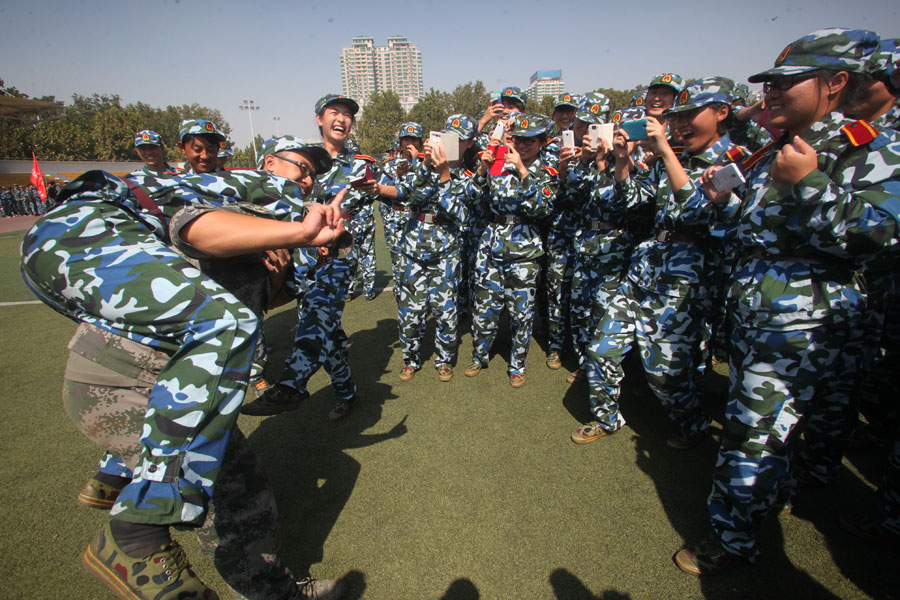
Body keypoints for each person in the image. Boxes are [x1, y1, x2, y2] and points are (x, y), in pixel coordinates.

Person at [21, 164, 349, 598]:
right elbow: (195, 228)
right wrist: (294, 232)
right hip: (125, 381)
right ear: (268, 166)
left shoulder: (272, 231)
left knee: (240, 486)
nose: (306, 181)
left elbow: (256, 295)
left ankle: (119, 482)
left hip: (141, 380)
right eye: (300, 169)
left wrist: (281, 262)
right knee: (240, 492)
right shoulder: (234, 197)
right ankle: (139, 533)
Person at [674, 28, 900, 576]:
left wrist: (811, 185)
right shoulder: (774, 148)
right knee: (767, 427)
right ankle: (775, 497)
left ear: (836, 82)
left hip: (802, 324)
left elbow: (879, 236)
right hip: (758, 316)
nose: (772, 94)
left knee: (753, 433)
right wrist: (723, 202)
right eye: (768, 84)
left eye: (786, 83)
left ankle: (732, 539)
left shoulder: (868, 146)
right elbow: (753, 232)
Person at [570, 78, 746, 448]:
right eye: (676, 117)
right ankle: (606, 417)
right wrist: (621, 162)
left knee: (666, 373)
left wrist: (665, 152)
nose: (680, 125)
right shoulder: (673, 156)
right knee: (601, 349)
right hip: (645, 267)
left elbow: (702, 213)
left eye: (689, 116)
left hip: (686, 280)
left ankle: (694, 427)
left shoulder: (735, 159)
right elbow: (634, 201)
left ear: (721, 114)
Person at [241, 94, 372, 420]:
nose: (341, 119)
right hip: (297, 263)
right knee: (324, 335)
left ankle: (291, 385)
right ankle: (348, 392)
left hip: (334, 260)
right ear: (320, 119)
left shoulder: (361, 166)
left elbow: (361, 207)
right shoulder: (299, 158)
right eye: (334, 112)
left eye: (347, 114)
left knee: (315, 318)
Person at [465, 112, 556, 388]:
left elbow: (542, 208)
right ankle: (479, 356)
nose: (524, 145)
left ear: (542, 142)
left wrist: (523, 171)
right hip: (491, 247)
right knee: (484, 308)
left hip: (525, 252)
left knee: (521, 313)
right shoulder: (497, 165)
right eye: (519, 139)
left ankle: (517, 365)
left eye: (531, 140)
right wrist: (482, 170)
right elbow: (470, 197)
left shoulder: (546, 172)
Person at [394, 117, 476, 382]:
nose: (451, 144)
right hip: (413, 247)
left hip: (446, 250)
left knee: (445, 310)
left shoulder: (468, 177)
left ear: (469, 144)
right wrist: (426, 163)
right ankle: (411, 359)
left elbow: (461, 215)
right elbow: (407, 195)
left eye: (459, 140)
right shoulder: (422, 169)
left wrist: (444, 177)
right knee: (410, 310)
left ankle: (444, 360)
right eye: (447, 137)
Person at [378, 122, 424, 299]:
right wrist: (397, 175)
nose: (409, 143)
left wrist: (416, 164)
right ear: (400, 142)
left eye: (414, 139)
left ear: (419, 142)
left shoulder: (427, 163)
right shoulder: (389, 165)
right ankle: (401, 301)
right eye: (406, 139)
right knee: (399, 265)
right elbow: (381, 191)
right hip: (397, 221)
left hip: (420, 219)